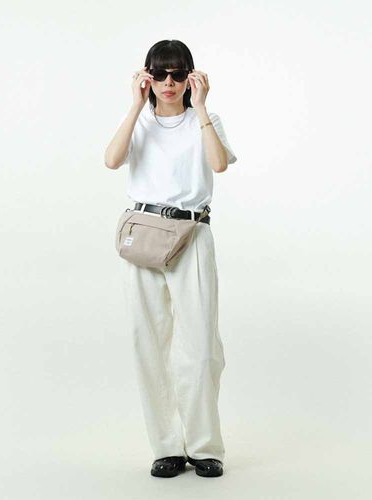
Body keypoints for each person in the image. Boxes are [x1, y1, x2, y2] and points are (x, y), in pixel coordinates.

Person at [104, 40, 237, 478]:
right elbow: (111, 160)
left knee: (200, 347)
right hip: (143, 234)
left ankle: (204, 446)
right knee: (148, 343)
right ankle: (166, 446)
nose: (169, 82)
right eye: (160, 74)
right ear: (147, 76)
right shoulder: (139, 121)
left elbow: (218, 164)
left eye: (178, 74)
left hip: (191, 234)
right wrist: (134, 105)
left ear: (191, 77)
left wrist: (201, 108)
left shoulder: (204, 120)